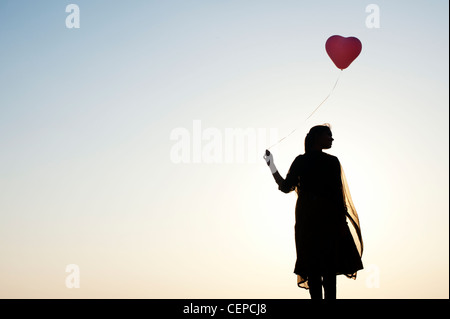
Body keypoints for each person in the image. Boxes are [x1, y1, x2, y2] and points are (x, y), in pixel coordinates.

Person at [264, 124, 363, 300]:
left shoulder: (331, 161)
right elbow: (286, 186)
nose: (331, 139)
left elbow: (337, 194)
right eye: (328, 135)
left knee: (322, 270)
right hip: (313, 221)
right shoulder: (307, 161)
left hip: (322, 221)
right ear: (317, 137)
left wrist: (341, 222)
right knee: (320, 270)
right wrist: (271, 165)